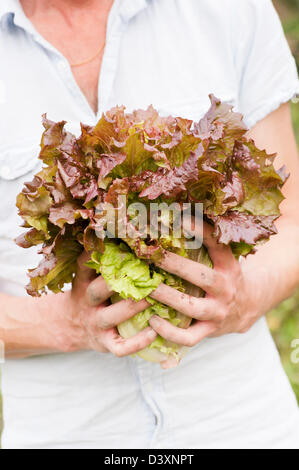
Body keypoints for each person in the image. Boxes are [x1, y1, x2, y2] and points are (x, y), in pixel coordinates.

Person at [0, 0, 299, 450]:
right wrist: (65, 324)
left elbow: (292, 218)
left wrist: (241, 296)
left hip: (244, 427)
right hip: (65, 435)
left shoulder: (230, 9)